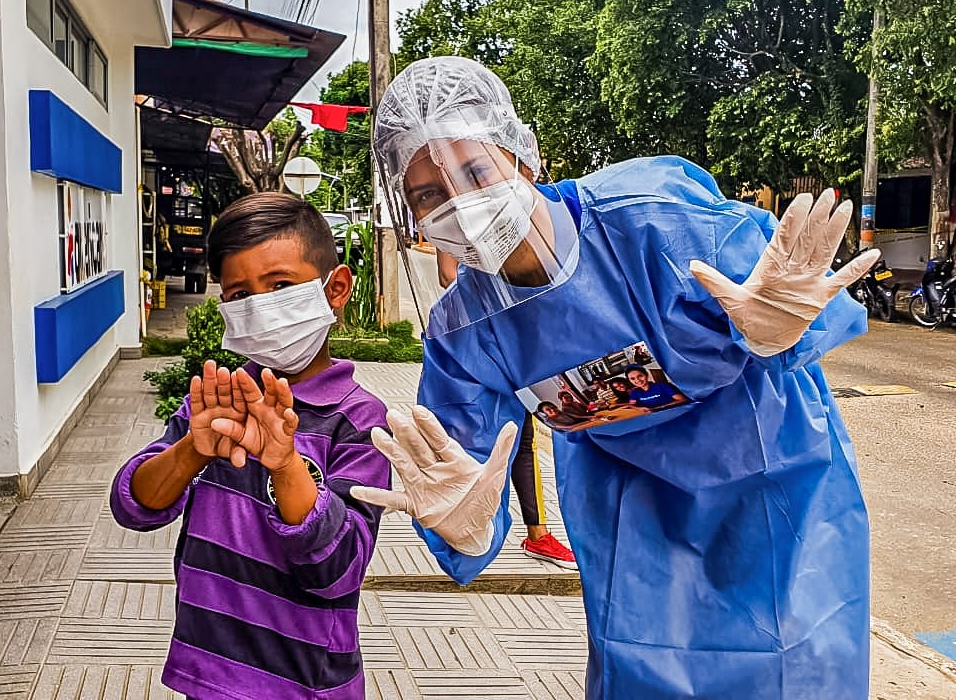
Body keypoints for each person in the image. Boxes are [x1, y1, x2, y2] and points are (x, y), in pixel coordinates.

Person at [353, 56, 881, 700]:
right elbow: (466, 475)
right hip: (636, 545)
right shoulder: (465, 331)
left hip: (780, 508)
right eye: (429, 193)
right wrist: (459, 525)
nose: (461, 204)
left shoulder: (650, 215)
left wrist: (775, 328)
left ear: (525, 156)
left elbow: (794, 295)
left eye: (476, 169)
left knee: (794, 674)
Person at [109, 193, 391, 700]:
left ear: (336, 289)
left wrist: (285, 466)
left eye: (280, 286)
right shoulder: (222, 400)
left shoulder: (360, 421)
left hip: (303, 684)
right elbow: (134, 504)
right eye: (239, 295)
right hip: (206, 671)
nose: (259, 307)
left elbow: (338, 571)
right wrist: (192, 451)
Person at [435, 250, 576, 568]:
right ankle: (470, 525)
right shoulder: (450, 223)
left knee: (521, 436)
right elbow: (447, 276)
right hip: (478, 343)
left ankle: (534, 534)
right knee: (479, 431)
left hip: (510, 341)